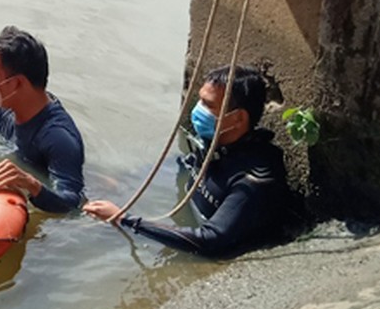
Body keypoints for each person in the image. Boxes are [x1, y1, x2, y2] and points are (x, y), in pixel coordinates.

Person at [83, 65, 290, 257]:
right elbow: (182, 165)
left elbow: (210, 239)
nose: (198, 110)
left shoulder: (255, 178)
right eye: (200, 100)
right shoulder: (214, 143)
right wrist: (125, 180)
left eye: (208, 104)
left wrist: (124, 219)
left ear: (238, 118)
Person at [0, 26, 86, 213]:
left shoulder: (58, 139)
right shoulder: (7, 109)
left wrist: (31, 184)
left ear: (17, 83)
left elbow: (72, 203)